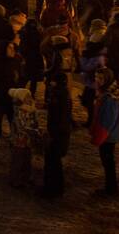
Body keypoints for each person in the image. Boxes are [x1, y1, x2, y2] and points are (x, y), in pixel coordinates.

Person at [92, 66, 119, 197]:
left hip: (108, 135)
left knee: (108, 161)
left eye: (101, 78)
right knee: (107, 161)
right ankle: (110, 187)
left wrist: (100, 135)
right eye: (96, 77)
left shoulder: (110, 98)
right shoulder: (106, 93)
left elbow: (108, 120)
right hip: (109, 133)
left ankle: (111, 189)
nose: (97, 80)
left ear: (107, 79)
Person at [42, 71, 72, 199]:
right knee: (54, 161)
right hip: (60, 133)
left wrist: (52, 134)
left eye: (52, 81)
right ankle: (55, 188)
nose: (49, 82)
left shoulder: (58, 96)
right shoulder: (62, 94)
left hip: (58, 134)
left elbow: (58, 117)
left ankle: (51, 190)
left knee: (52, 161)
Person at [8, 88, 41, 188]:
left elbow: (34, 122)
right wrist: (34, 131)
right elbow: (21, 126)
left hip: (28, 140)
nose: (29, 98)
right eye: (27, 97)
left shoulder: (31, 108)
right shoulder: (20, 110)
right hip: (20, 140)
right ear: (21, 99)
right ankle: (15, 180)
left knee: (27, 160)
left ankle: (25, 178)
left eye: (29, 96)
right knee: (18, 160)